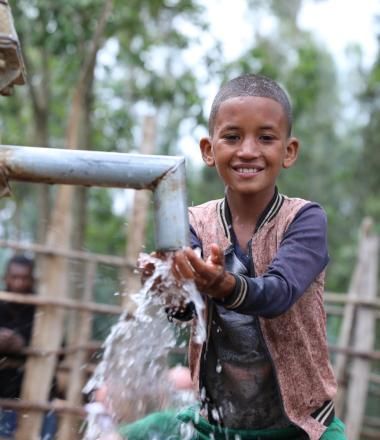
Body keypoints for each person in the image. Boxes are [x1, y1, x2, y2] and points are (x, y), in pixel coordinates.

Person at [0, 254, 58, 439]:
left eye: (24, 278)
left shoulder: (43, 310)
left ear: (32, 280)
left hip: (38, 396)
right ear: (6, 278)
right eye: (15, 277)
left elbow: (58, 350)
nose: (19, 283)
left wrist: (23, 344)